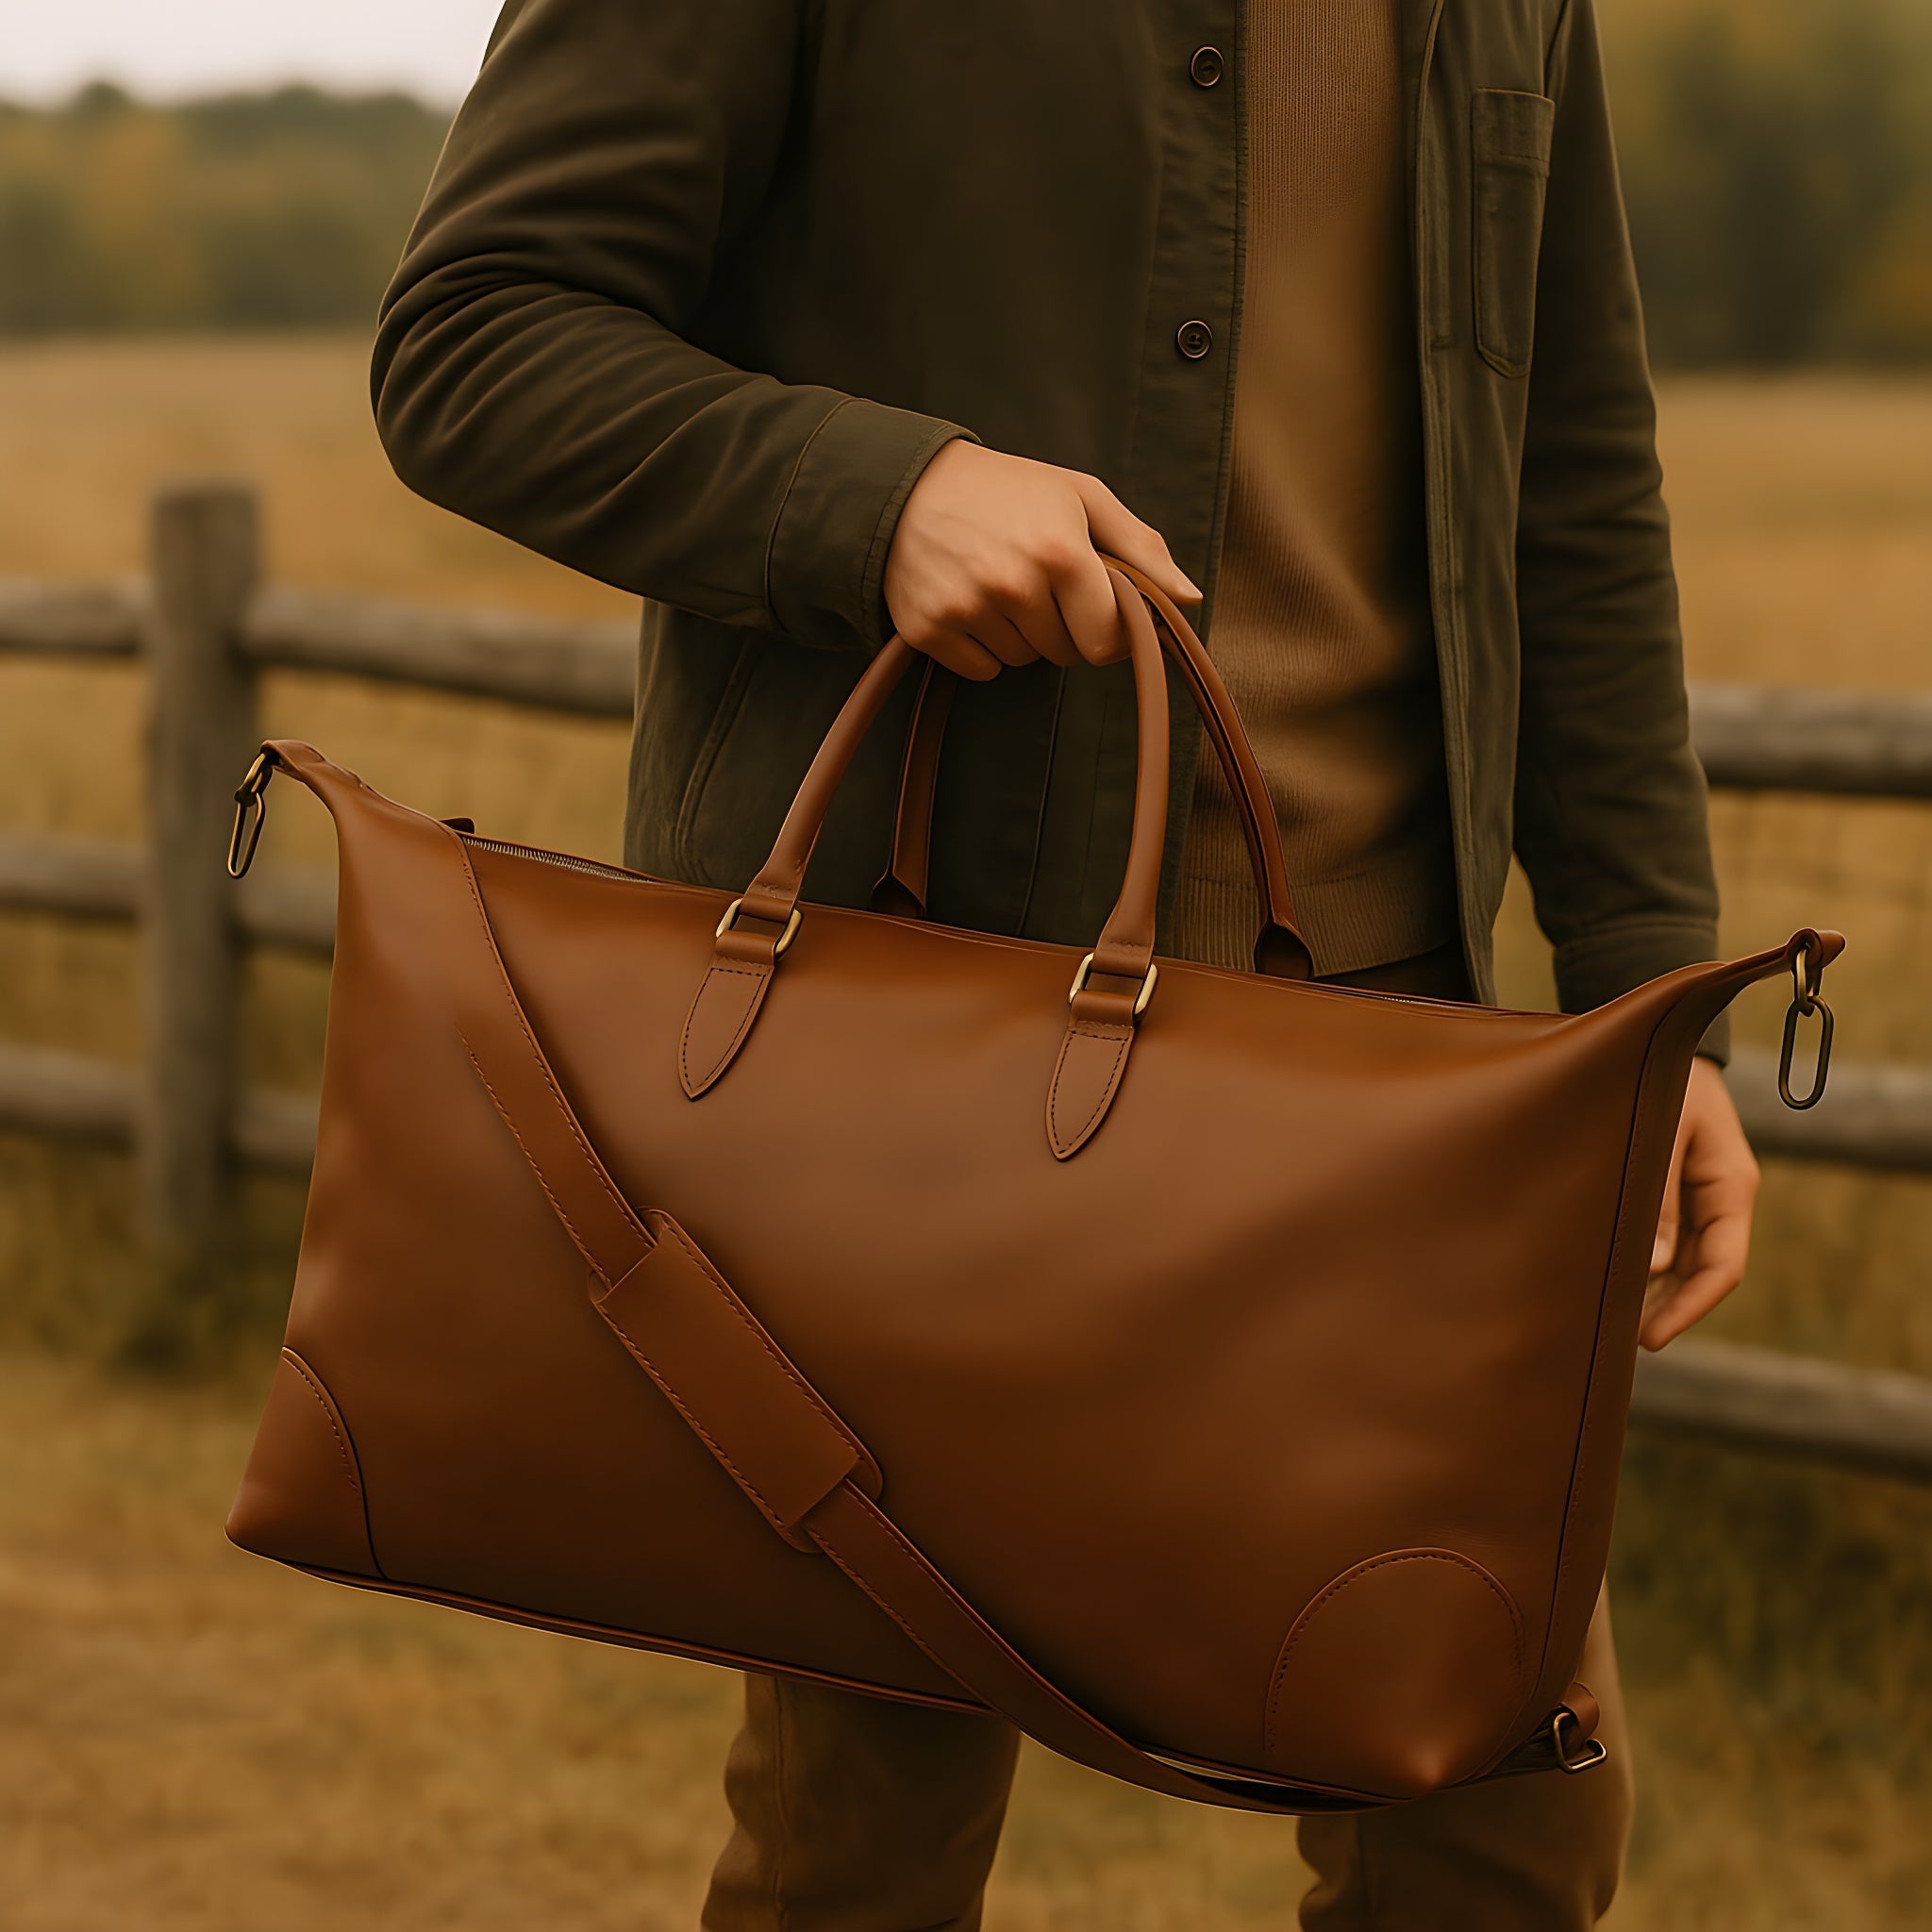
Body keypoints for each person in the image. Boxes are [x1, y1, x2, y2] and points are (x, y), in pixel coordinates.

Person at [371, 2, 1759, 1924]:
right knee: (865, 1838)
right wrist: (885, 498)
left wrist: (1648, 994)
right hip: (922, 1036)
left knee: (1499, 1833)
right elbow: (472, 339)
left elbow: (1575, 474)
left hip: (1395, 1057)